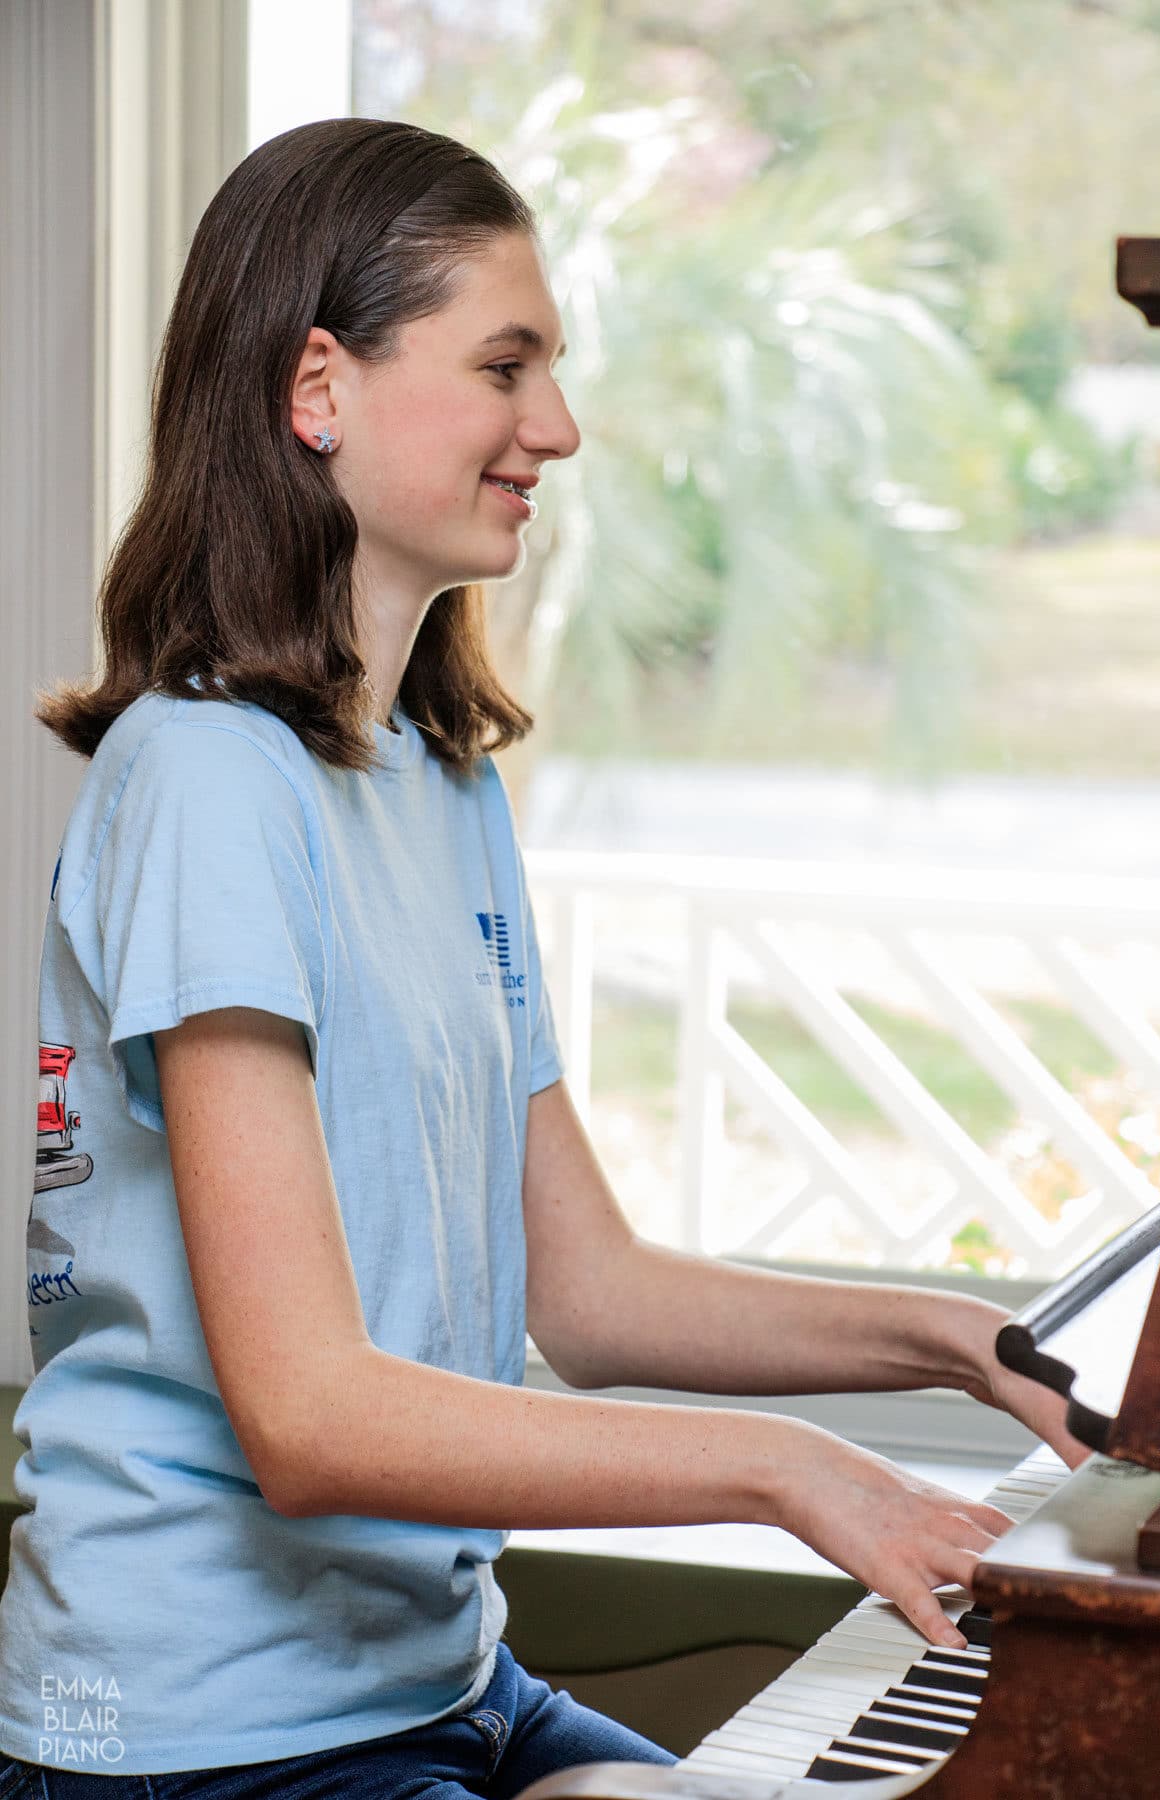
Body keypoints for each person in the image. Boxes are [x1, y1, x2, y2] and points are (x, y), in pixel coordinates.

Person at [0, 116, 1084, 1797]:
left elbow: (584, 1292)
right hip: (196, 1733)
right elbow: (305, 1416)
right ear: (317, 388)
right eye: (505, 366)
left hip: (444, 1681)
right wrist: (785, 1471)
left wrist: (951, 1342)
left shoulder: (442, 786)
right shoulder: (203, 783)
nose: (556, 430)